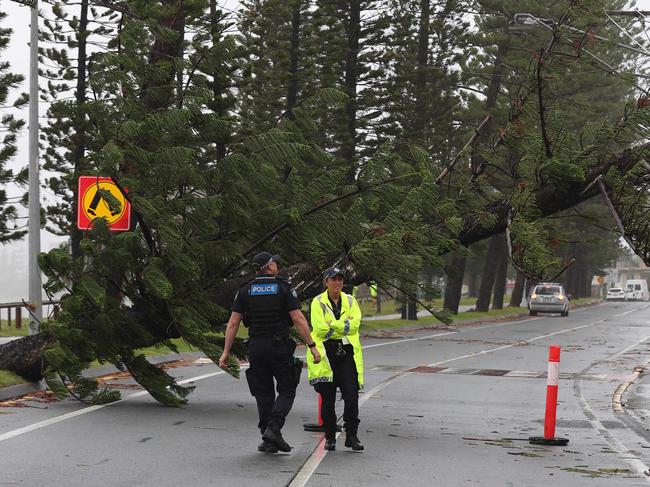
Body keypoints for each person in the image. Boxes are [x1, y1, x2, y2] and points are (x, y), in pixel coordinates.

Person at [219, 251, 321, 454]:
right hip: (278, 347)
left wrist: (225, 352)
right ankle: (273, 428)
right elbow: (299, 319)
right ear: (269, 266)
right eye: (274, 262)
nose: (277, 265)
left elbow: (232, 324)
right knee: (287, 389)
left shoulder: (245, 290)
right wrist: (312, 346)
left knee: (263, 392)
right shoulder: (283, 288)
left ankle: (267, 439)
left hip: (256, 348)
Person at [306, 267, 364, 451]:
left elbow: (354, 326)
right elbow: (320, 329)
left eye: (340, 279)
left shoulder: (350, 300)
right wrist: (342, 326)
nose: (337, 282)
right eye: (334, 279)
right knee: (328, 398)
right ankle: (330, 437)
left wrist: (334, 326)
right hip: (325, 354)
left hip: (346, 353)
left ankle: (352, 435)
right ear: (326, 282)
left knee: (351, 396)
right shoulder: (317, 302)